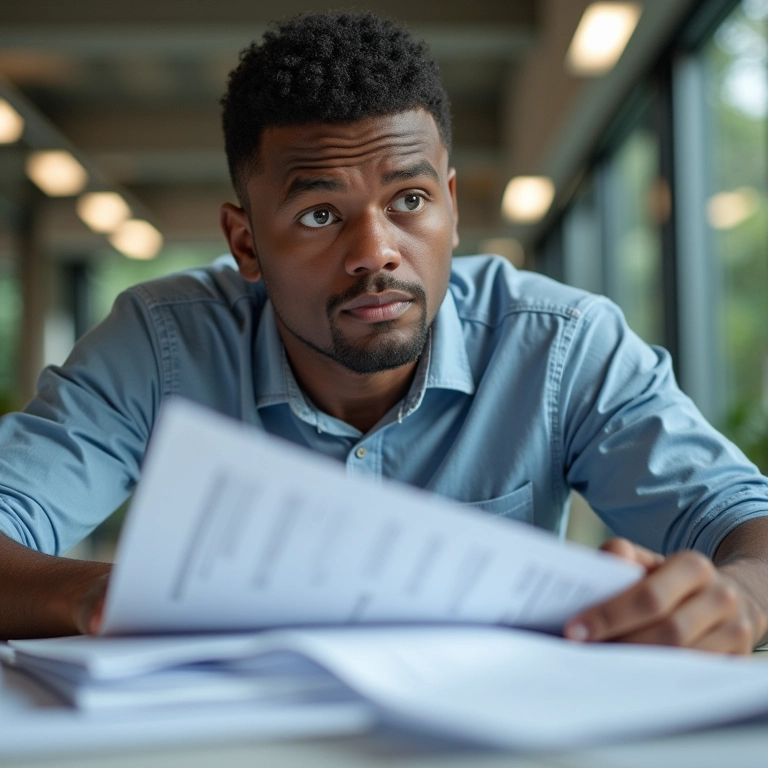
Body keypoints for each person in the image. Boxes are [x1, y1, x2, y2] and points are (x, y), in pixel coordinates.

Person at [1, 10, 767, 652]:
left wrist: (739, 597)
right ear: (245, 243)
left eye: (409, 200)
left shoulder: (562, 346)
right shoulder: (161, 346)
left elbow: (744, 523)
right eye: (320, 215)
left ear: (453, 207)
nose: (376, 253)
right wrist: (112, 594)